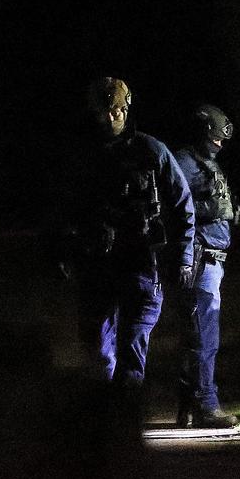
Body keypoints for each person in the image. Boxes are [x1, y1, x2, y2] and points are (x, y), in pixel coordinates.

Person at [60, 76, 195, 388]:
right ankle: (104, 421)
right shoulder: (83, 157)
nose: (112, 117)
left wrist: (184, 257)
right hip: (97, 267)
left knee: (132, 351)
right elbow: (63, 209)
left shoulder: (151, 150)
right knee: (97, 352)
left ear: (127, 108)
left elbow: (181, 203)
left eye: (118, 110)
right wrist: (63, 251)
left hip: (142, 265)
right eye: (105, 111)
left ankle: (124, 423)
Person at [173, 104, 240, 428]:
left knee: (197, 335)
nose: (219, 144)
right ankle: (206, 406)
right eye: (215, 138)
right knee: (204, 336)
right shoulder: (183, 163)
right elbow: (174, 210)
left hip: (212, 257)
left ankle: (188, 405)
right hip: (201, 259)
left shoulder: (204, 161)